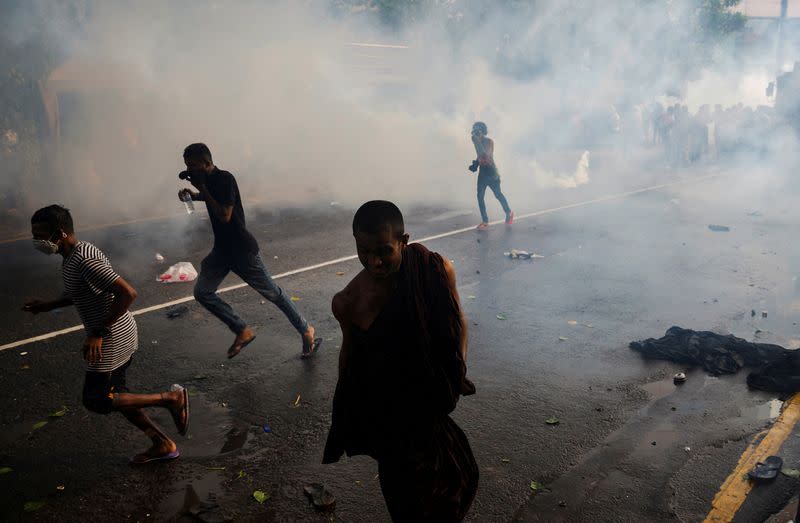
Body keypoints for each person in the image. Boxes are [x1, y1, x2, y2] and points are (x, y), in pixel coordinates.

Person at [323, 200, 479, 522]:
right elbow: (350, 356)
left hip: (430, 407)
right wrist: (347, 411)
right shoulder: (348, 302)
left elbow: (457, 320)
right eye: (363, 251)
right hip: (391, 418)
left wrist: (457, 369)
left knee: (460, 479)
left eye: (384, 251)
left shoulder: (432, 268)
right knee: (406, 502)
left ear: (403, 242)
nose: (374, 261)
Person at [22, 205, 189, 464]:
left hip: (113, 336)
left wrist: (98, 332)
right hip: (114, 332)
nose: (38, 241)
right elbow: (81, 291)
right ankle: (163, 444)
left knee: (97, 399)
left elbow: (128, 293)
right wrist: (49, 305)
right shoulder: (73, 256)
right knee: (118, 396)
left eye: (42, 234)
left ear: (62, 233)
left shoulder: (84, 260)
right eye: (35, 235)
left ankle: (170, 398)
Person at [178, 143, 321, 358]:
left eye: (194, 165)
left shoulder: (225, 178)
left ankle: (306, 329)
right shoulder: (206, 181)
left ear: (207, 163)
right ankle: (242, 330)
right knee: (202, 292)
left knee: (273, 294)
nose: (190, 171)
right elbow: (213, 199)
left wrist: (203, 190)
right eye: (187, 166)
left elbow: (225, 214)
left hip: (242, 251)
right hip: (222, 251)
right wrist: (194, 195)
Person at [468, 122, 513, 230]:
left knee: (498, 194)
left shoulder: (489, 142)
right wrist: (475, 164)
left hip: (492, 174)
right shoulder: (477, 141)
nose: (476, 134)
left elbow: (485, 155)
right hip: (483, 174)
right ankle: (485, 221)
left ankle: (509, 212)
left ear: (483, 132)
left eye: (478, 131)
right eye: (475, 131)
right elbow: (480, 157)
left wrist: (477, 142)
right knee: (480, 196)